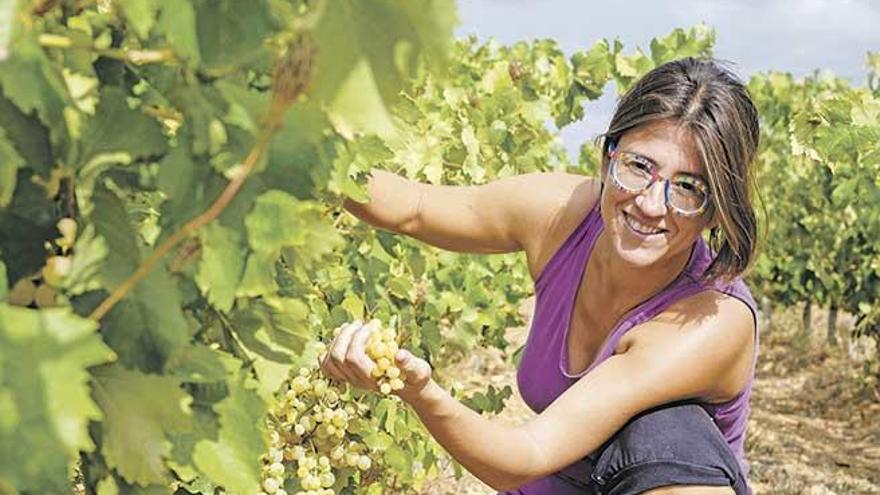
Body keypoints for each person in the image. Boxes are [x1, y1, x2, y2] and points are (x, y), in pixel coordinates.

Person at [321, 57, 760, 494]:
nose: (650, 203)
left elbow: (528, 453)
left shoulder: (710, 320)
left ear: (715, 211)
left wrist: (421, 392)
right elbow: (414, 209)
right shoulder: (563, 213)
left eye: (688, 188)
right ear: (609, 157)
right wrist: (299, 149)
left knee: (665, 433)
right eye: (639, 166)